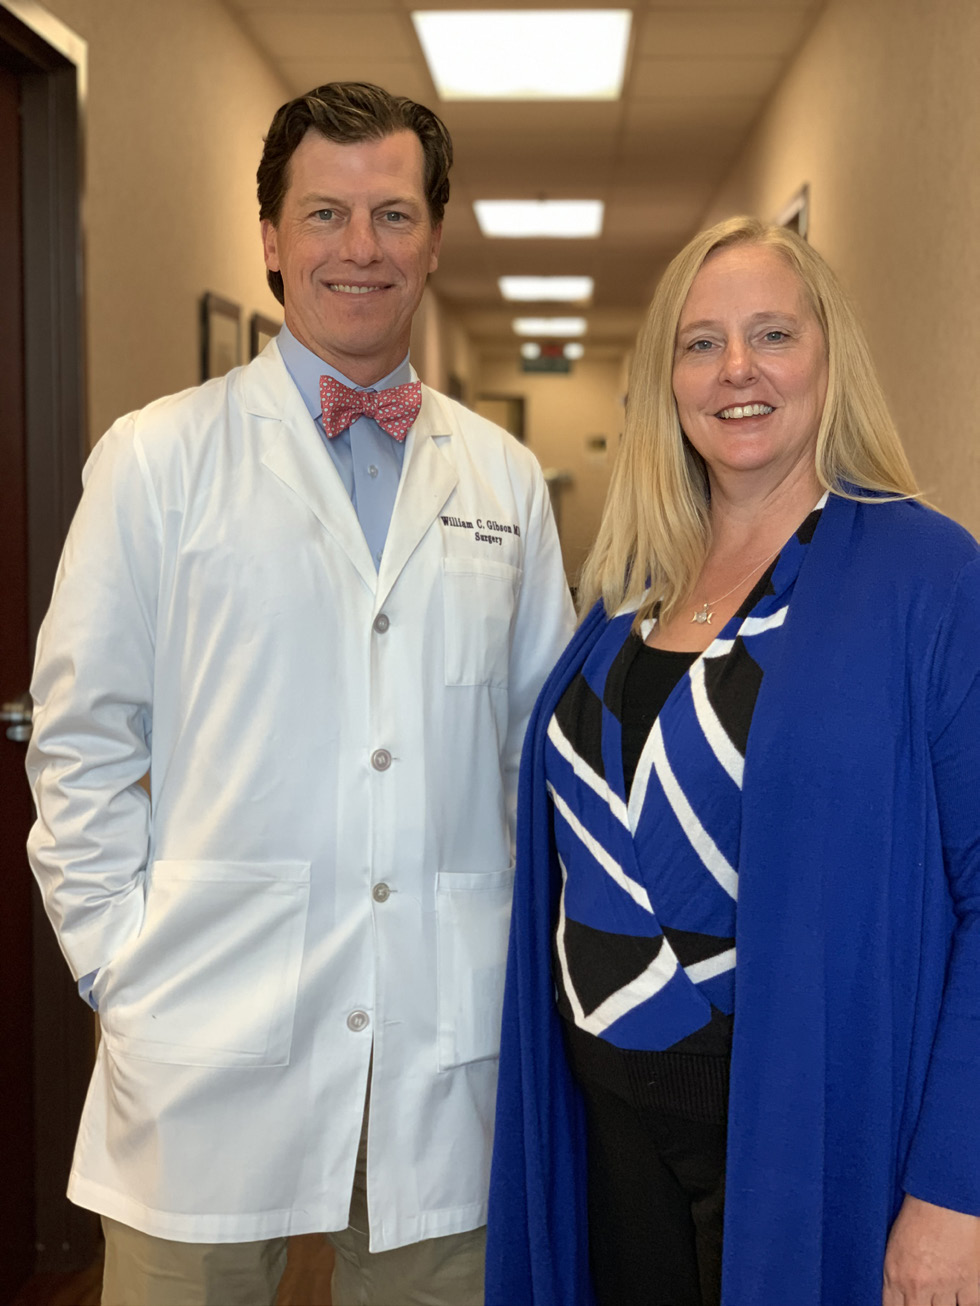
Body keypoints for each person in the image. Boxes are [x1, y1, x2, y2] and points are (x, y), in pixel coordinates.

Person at [26, 81, 574, 1306]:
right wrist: (117, 960)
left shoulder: (503, 478)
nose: (359, 248)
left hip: (442, 1036)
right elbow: (81, 737)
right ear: (270, 239)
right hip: (206, 1031)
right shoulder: (156, 458)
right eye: (323, 213)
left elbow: (535, 755)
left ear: (434, 236)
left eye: (392, 214)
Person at [485, 215, 980, 1306]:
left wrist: (955, 1190)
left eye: (770, 334)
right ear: (665, 378)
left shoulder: (925, 579)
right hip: (605, 1128)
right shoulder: (631, 585)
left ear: (827, 357)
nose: (736, 369)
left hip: (784, 1134)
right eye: (700, 342)